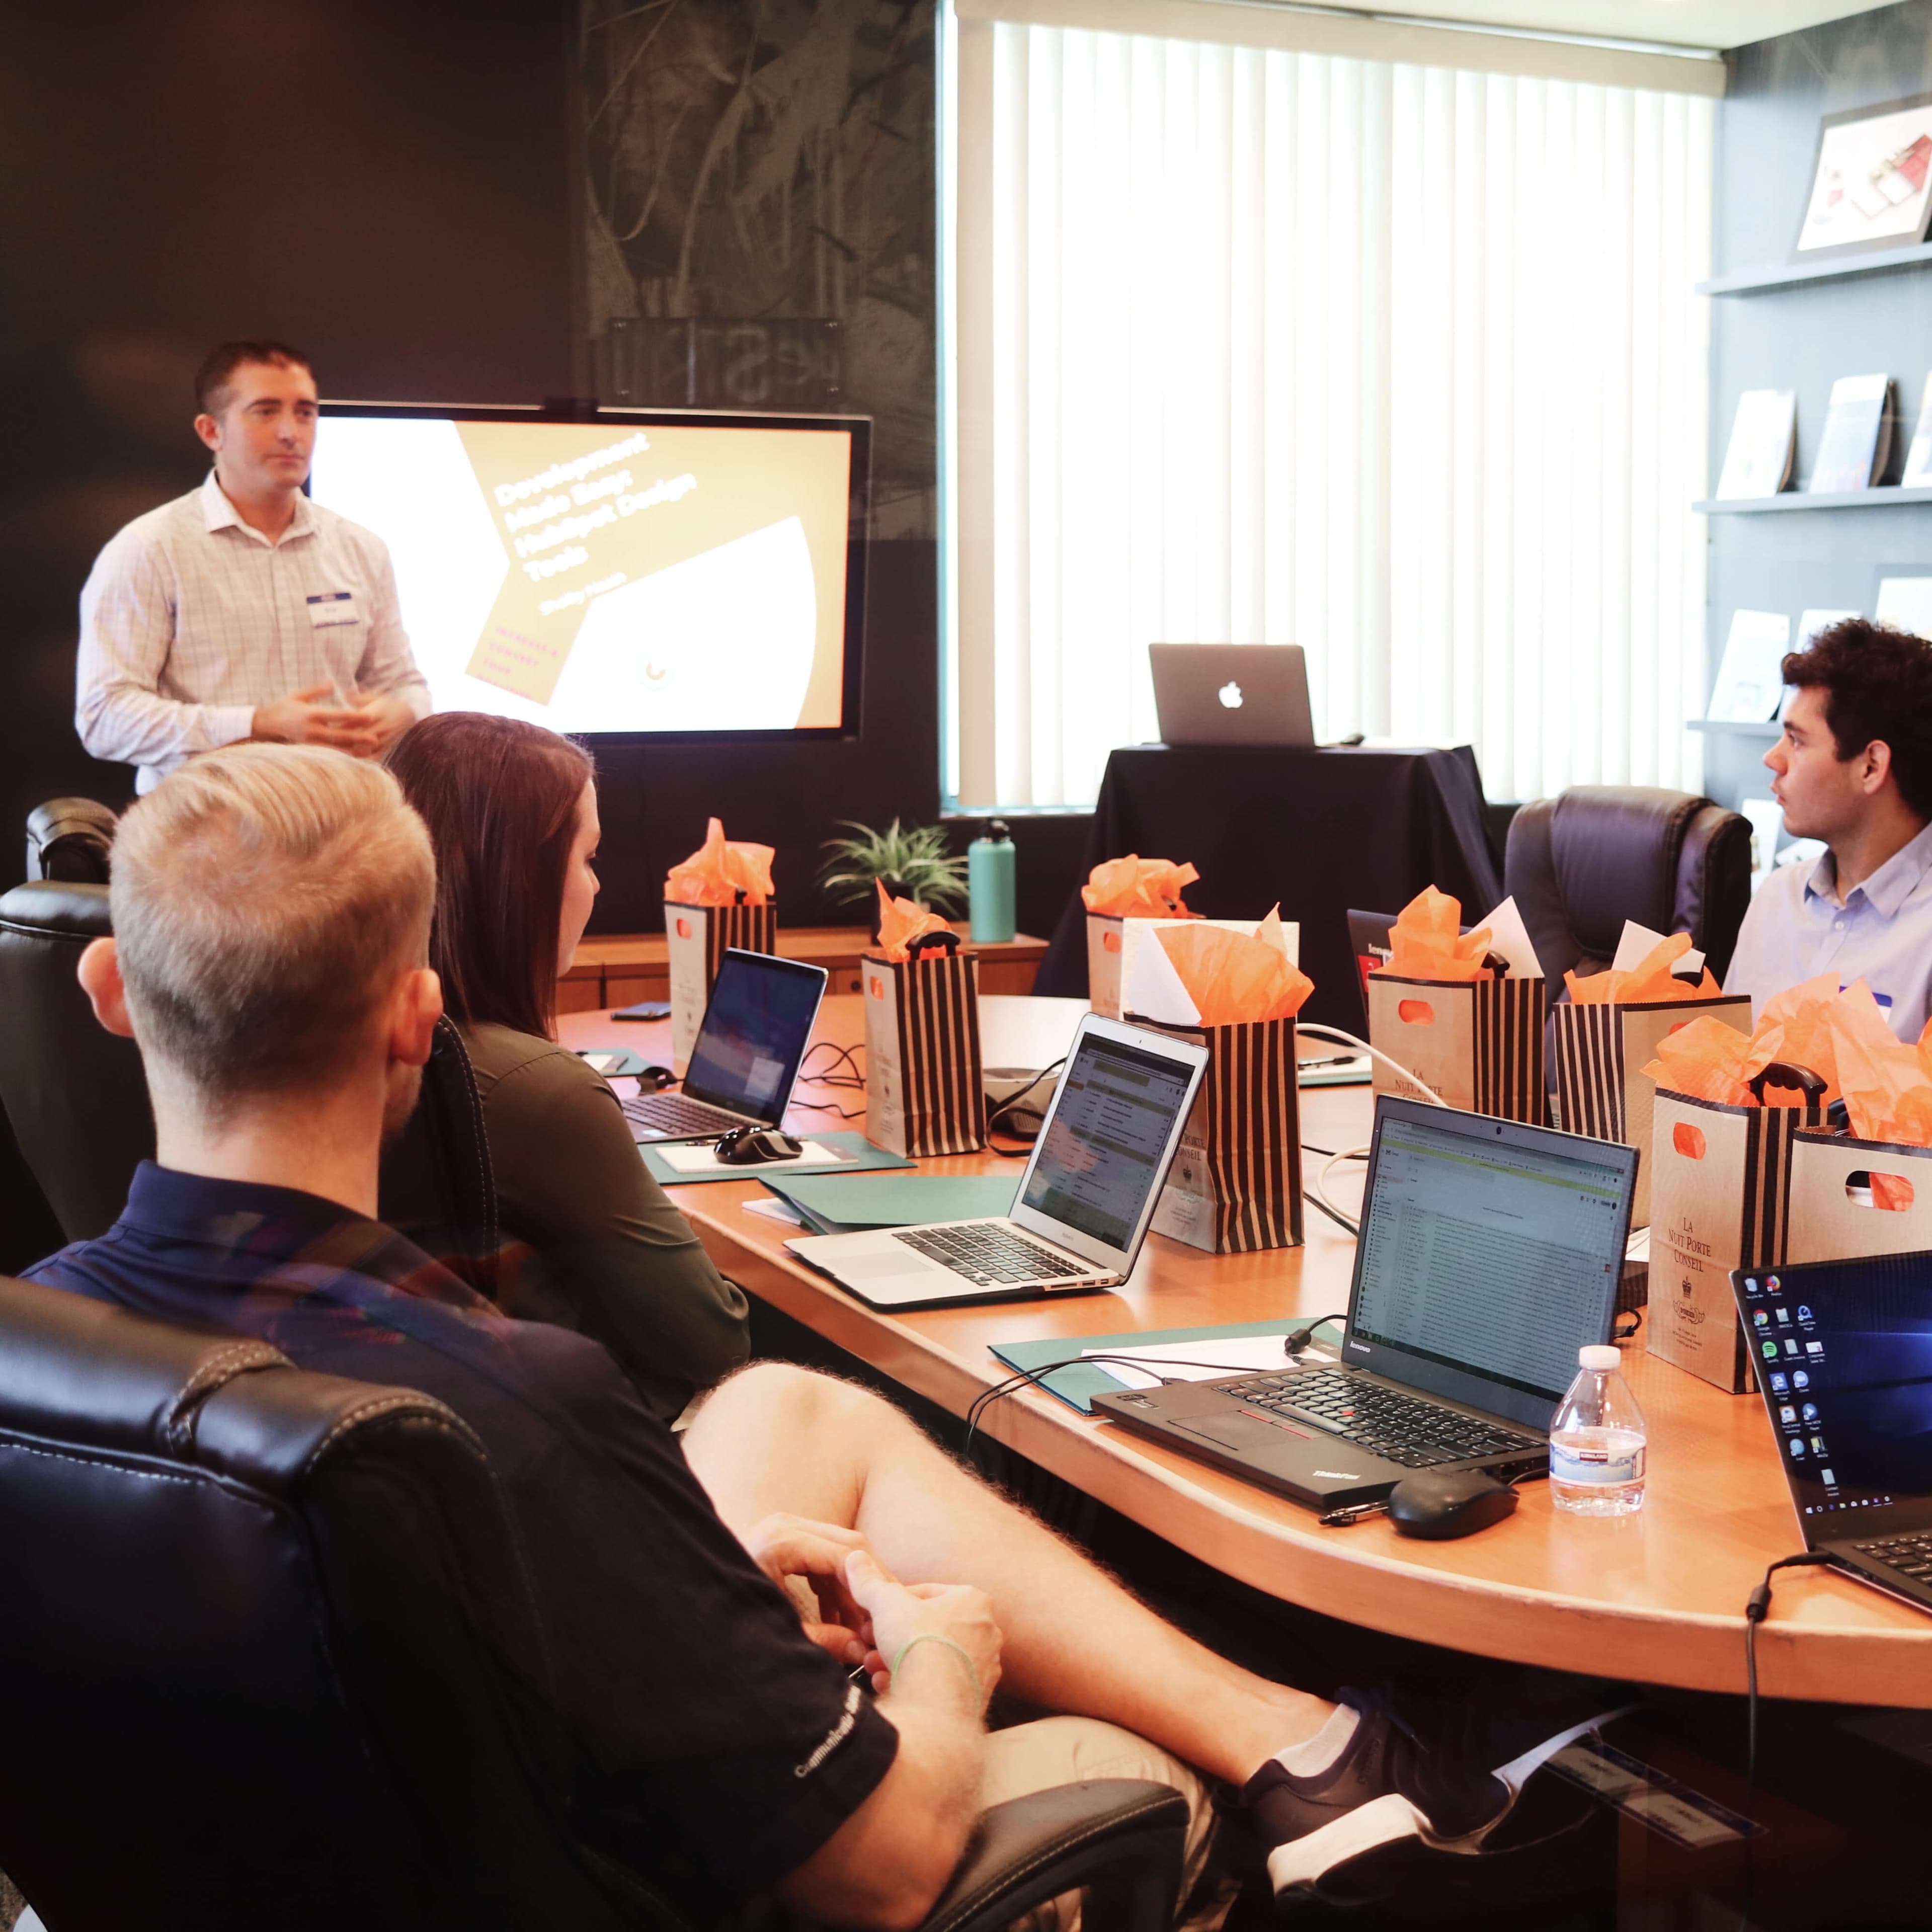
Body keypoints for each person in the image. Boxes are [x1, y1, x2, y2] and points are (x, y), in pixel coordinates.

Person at [21, 742, 1560, 1925]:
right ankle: (1314, 1766)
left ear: (107, 989)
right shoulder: (512, 1403)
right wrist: (945, 1663)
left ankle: (1303, 1730)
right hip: (682, 1880)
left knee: (787, 1407)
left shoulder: (46, 1345)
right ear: (414, 1020)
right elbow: (879, 1868)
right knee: (1116, 1771)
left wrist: (683, 1587)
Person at [385, 710, 748, 1419]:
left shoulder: (358, 1043)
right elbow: (716, 1344)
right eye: (587, 858)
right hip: (596, 1451)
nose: (597, 887)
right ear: (517, 880)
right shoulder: (539, 1090)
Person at [75, 338, 430, 793]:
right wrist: (258, 725)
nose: (291, 432)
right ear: (211, 432)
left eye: (304, 412)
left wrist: (403, 712)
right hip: (205, 830)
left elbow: (406, 686)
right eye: (266, 411)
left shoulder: (361, 548)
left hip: (343, 821)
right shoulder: (149, 549)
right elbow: (103, 717)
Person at [1725, 620, 1932, 1039]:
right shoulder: (1775, 898)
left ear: (1871, 766)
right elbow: (1719, 1081)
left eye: (1797, 741)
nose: (1772, 759)